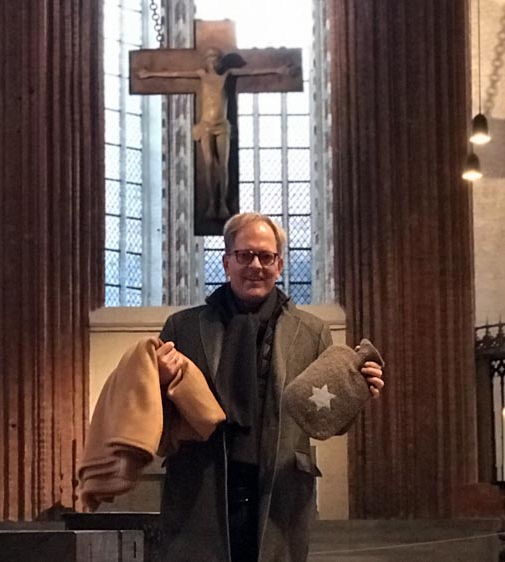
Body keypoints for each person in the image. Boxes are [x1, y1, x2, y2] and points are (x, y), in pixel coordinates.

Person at [155, 213, 384, 562]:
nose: (256, 266)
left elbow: (329, 421)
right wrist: (158, 380)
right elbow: (157, 414)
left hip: (281, 493)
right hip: (201, 490)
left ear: (279, 264)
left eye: (266, 256)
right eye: (245, 255)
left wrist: (359, 390)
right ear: (227, 262)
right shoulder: (183, 327)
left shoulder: (312, 331)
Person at [139, 50, 294, 220]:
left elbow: (250, 72)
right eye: (210, 58)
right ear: (206, 62)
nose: (213, 62)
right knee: (209, 164)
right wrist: (150, 74)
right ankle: (212, 203)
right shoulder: (201, 75)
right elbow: (176, 73)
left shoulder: (227, 75)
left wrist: (278, 70)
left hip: (222, 126)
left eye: (215, 59)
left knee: (224, 165)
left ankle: (224, 203)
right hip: (206, 126)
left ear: (219, 62)